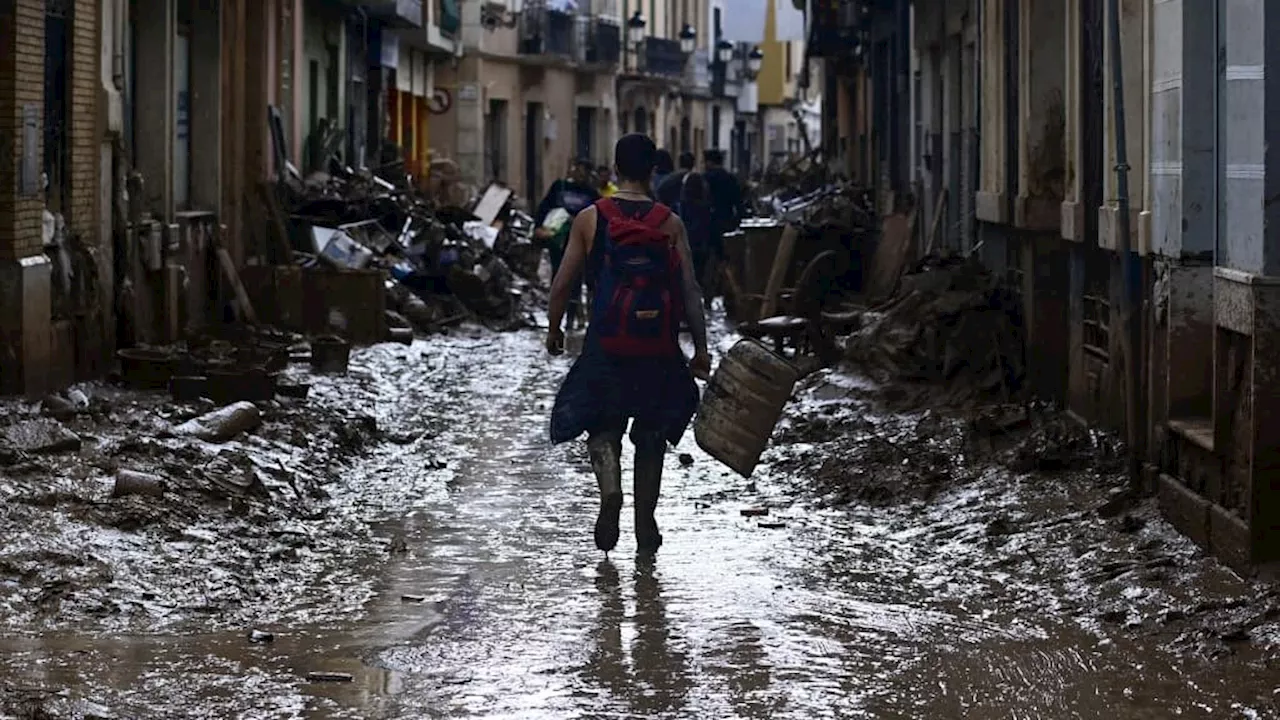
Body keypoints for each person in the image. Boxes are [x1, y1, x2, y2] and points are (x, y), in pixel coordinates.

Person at [547, 133, 712, 556]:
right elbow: (690, 290)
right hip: (656, 346)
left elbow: (562, 283)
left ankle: (610, 491)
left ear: (616, 168)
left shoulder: (590, 218)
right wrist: (701, 348)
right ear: (653, 169)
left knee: (602, 426)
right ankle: (645, 522)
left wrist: (554, 328)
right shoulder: (669, 223)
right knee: (652, 433)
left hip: (606, 343)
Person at [534, 158, 600, 329]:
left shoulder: (591, 194)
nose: (578, 173)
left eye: (583, 170)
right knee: (558, 276)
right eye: (576, 168)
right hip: (557, 240)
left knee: (576, 279)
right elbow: (544, 207)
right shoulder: (559, 187)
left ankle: (571, 317)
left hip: (579, 241)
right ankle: (556, 317)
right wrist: (538, 227)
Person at [701, 149, 744, 304]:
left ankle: (709, 295)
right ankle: (730, 295)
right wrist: (739, 221)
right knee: (728, 260)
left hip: (709, 224)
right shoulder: (730, 178)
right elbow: (739, 203)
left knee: (711, 262)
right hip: (727, 223)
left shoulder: (705, 179)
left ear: (709, 162)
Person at [675, 172, 716, 307]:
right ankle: (705, 304)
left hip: (686, 244)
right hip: (703, 246)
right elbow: (710, 228)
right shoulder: (706, 207)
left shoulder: (680, 206)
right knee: (704, 276)